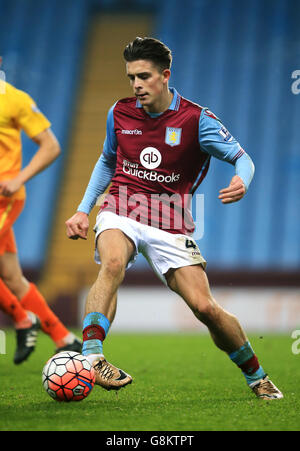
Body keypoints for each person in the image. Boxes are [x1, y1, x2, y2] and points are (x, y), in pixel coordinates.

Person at [65, 37, 283, 400]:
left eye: (144, 76)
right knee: (113, 263)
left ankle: (257, 375)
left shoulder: (197, 120)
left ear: (165, 76)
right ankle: (92, 357)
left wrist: (242, 180)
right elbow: (107, 160)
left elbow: (242, 157)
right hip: (121, 205)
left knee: (205, 307)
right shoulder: (119, 112)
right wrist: (82, 209)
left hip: (170, 219)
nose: (136, 85)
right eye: (131, 77)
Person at [0, 56, 81, 364]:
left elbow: (51, 145)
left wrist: (18, 178)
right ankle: (64, 337)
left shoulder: (15, 100)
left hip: (4, 198)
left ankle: (23, 319)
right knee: (11, 276)